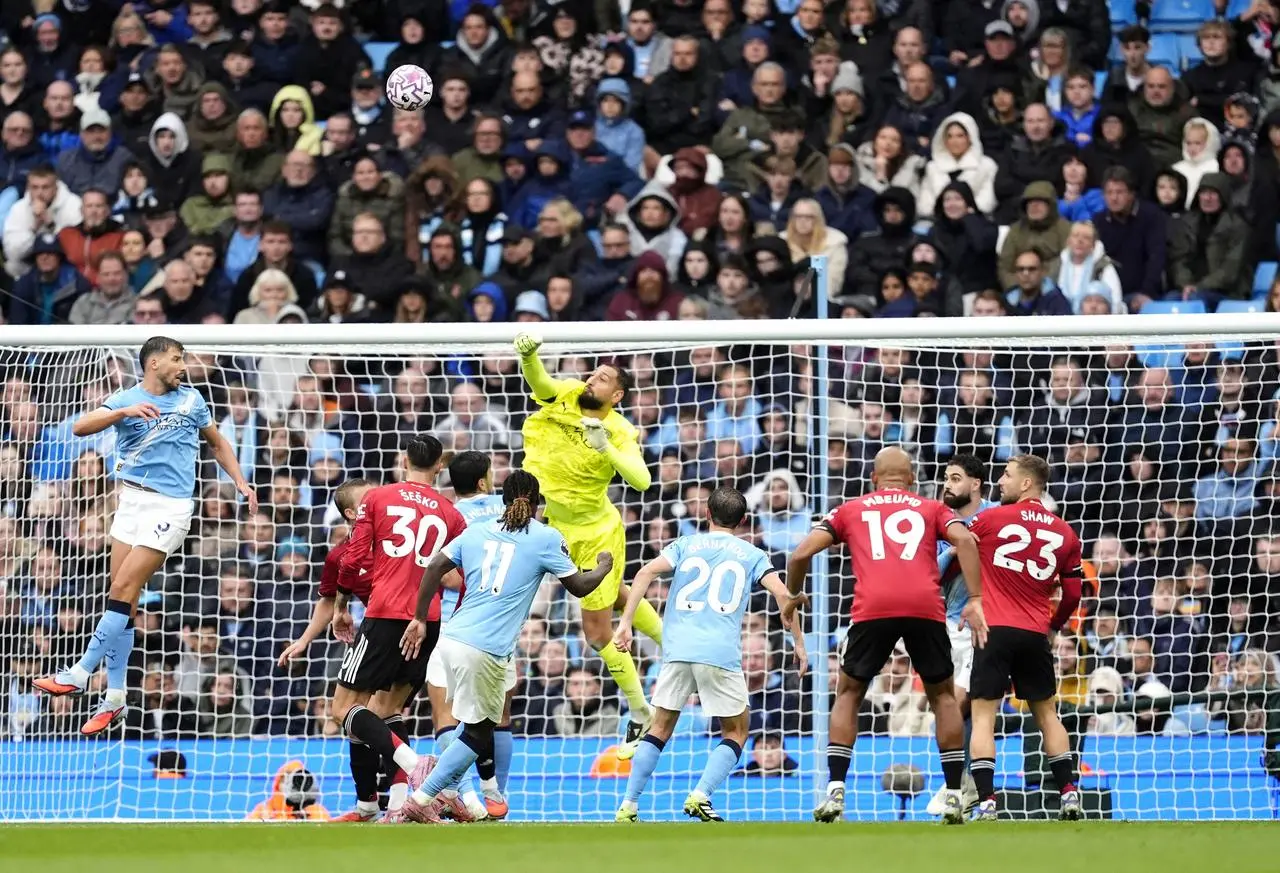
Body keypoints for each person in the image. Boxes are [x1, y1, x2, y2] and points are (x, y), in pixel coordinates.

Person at [32, 337, 257, 735]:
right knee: (124, 599)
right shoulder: (126, 398)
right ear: (154, 363)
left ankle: (81, 672)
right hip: (130, 502)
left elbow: (217, 443)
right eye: (176, 358)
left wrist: (240, 481)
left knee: (124, 586)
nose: (183, 365)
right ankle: (115, 698)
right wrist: (123, 412)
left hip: (171, 507)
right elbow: (81, 427)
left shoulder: (192, 400)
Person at [784, 446, 987, 824]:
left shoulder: (850, 509)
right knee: (943, 696)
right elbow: (965, 541)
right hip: (925, 606)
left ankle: (835, 790)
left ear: (874, 478)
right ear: (911, 479)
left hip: (873, 607)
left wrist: (793, 596)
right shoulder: (932, 508)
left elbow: (798, 556)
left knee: (848, 694)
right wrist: (975, 599)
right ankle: (954, 794)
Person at [397, 470, 613, 824]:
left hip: (451, 639)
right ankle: (426, 796)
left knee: (466, 723)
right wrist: (604, 567)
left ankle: (451, 793)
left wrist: (420, 617)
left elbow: (434, 566)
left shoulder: (477, 531)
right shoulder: (544, 537)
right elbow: (579, 587)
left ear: (504, 499)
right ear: (537, 501)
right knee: (481, 729)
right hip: (485, 648)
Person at [612, 486, 807, 823]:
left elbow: (644, 573)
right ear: (743, 520)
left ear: (706, 514)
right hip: (719, 653)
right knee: (737, 731)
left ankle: (628, 805)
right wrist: (799, 644)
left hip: (676, 649)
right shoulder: (753, 554)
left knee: (659, 728)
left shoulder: (684, 545)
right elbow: (784, 596)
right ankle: (700, 795)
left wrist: (625, 623)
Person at [513, 331, 659, 757]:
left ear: (618, 395)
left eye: (603, 378)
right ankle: (673, 643)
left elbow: (642, 480)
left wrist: (606, 447)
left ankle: (640, 709)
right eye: (593, 374)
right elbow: (540, 382)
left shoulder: (620, 430)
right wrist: (529, 356)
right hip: (556, 526)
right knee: (616, 595)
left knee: (596, 634)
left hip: (597, 533)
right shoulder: (567, 394)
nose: (592, 380)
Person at [967, 454, 1085, 822]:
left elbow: (957, 555)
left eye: (1006, 475)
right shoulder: (1065, 533)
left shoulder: (989, 519)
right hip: (1035, 633)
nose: (1000, 481)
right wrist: (1054, 626)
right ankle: (1069, 793)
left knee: (983, 717)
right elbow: (1074, 595)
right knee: (1048, 715)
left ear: (1026, 483)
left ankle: (987, 802)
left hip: (993, 630)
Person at [276, 477, 381, 821]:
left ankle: (401, 788)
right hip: (382, 633)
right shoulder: (341, 554)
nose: (378, 501)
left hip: (419, 626)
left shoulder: (398, 537)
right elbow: (328, 601)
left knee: (353, 711)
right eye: (368, 500)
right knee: (367, 714)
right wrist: (304, 640)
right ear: (351, 513)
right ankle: (389, 799)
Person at [421, 450, 513, 821]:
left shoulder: (446, 513)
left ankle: (466, 798)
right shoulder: (507, 509)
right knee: (497, 714)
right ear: (483, 481)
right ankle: (495, 796)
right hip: (501, 625)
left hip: (454, 623)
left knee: (445, 712)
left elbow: (441, 574)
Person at [923, 455, 998, 816]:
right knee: (954, 710)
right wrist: (955, 550)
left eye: (955, 478)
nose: (948, 484)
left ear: (976, 483)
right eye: (946, 478)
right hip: (947, 624)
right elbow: (928, 575)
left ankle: (958, 783)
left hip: (985, 624)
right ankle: (964, 785)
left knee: (960, 702)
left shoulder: (997, 517)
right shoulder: (939, 520)